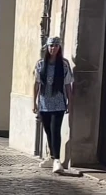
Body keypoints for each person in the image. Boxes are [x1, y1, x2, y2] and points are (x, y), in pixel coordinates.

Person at [32, 36, 73, 173]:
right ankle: (51, 156)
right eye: (51, 46)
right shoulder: (40, 64)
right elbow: (36, 84)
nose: (53, 48)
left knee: (56, 130)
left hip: (58, 102)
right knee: (48, 131)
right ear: (47, 47)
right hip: (44, 103)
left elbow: (68, 85)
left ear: (59, 48)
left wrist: (69, 102)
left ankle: (57, 160)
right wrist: (34, 102)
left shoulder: (64, 65)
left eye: (55, 46)